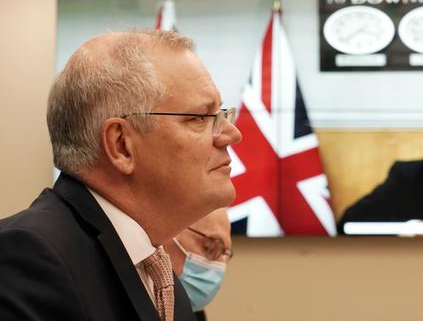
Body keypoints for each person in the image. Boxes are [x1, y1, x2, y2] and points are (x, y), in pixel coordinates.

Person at [0, 30, 242, 320]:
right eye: (200, 118)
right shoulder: (28, 256)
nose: (232, 134)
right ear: (121, 145)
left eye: (222, 114)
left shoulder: (163, 281)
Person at [164, 209, 233, 321]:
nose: (220, 264)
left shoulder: (196, 317)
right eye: (209, 247)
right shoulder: (127, 304)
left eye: (224, 253)